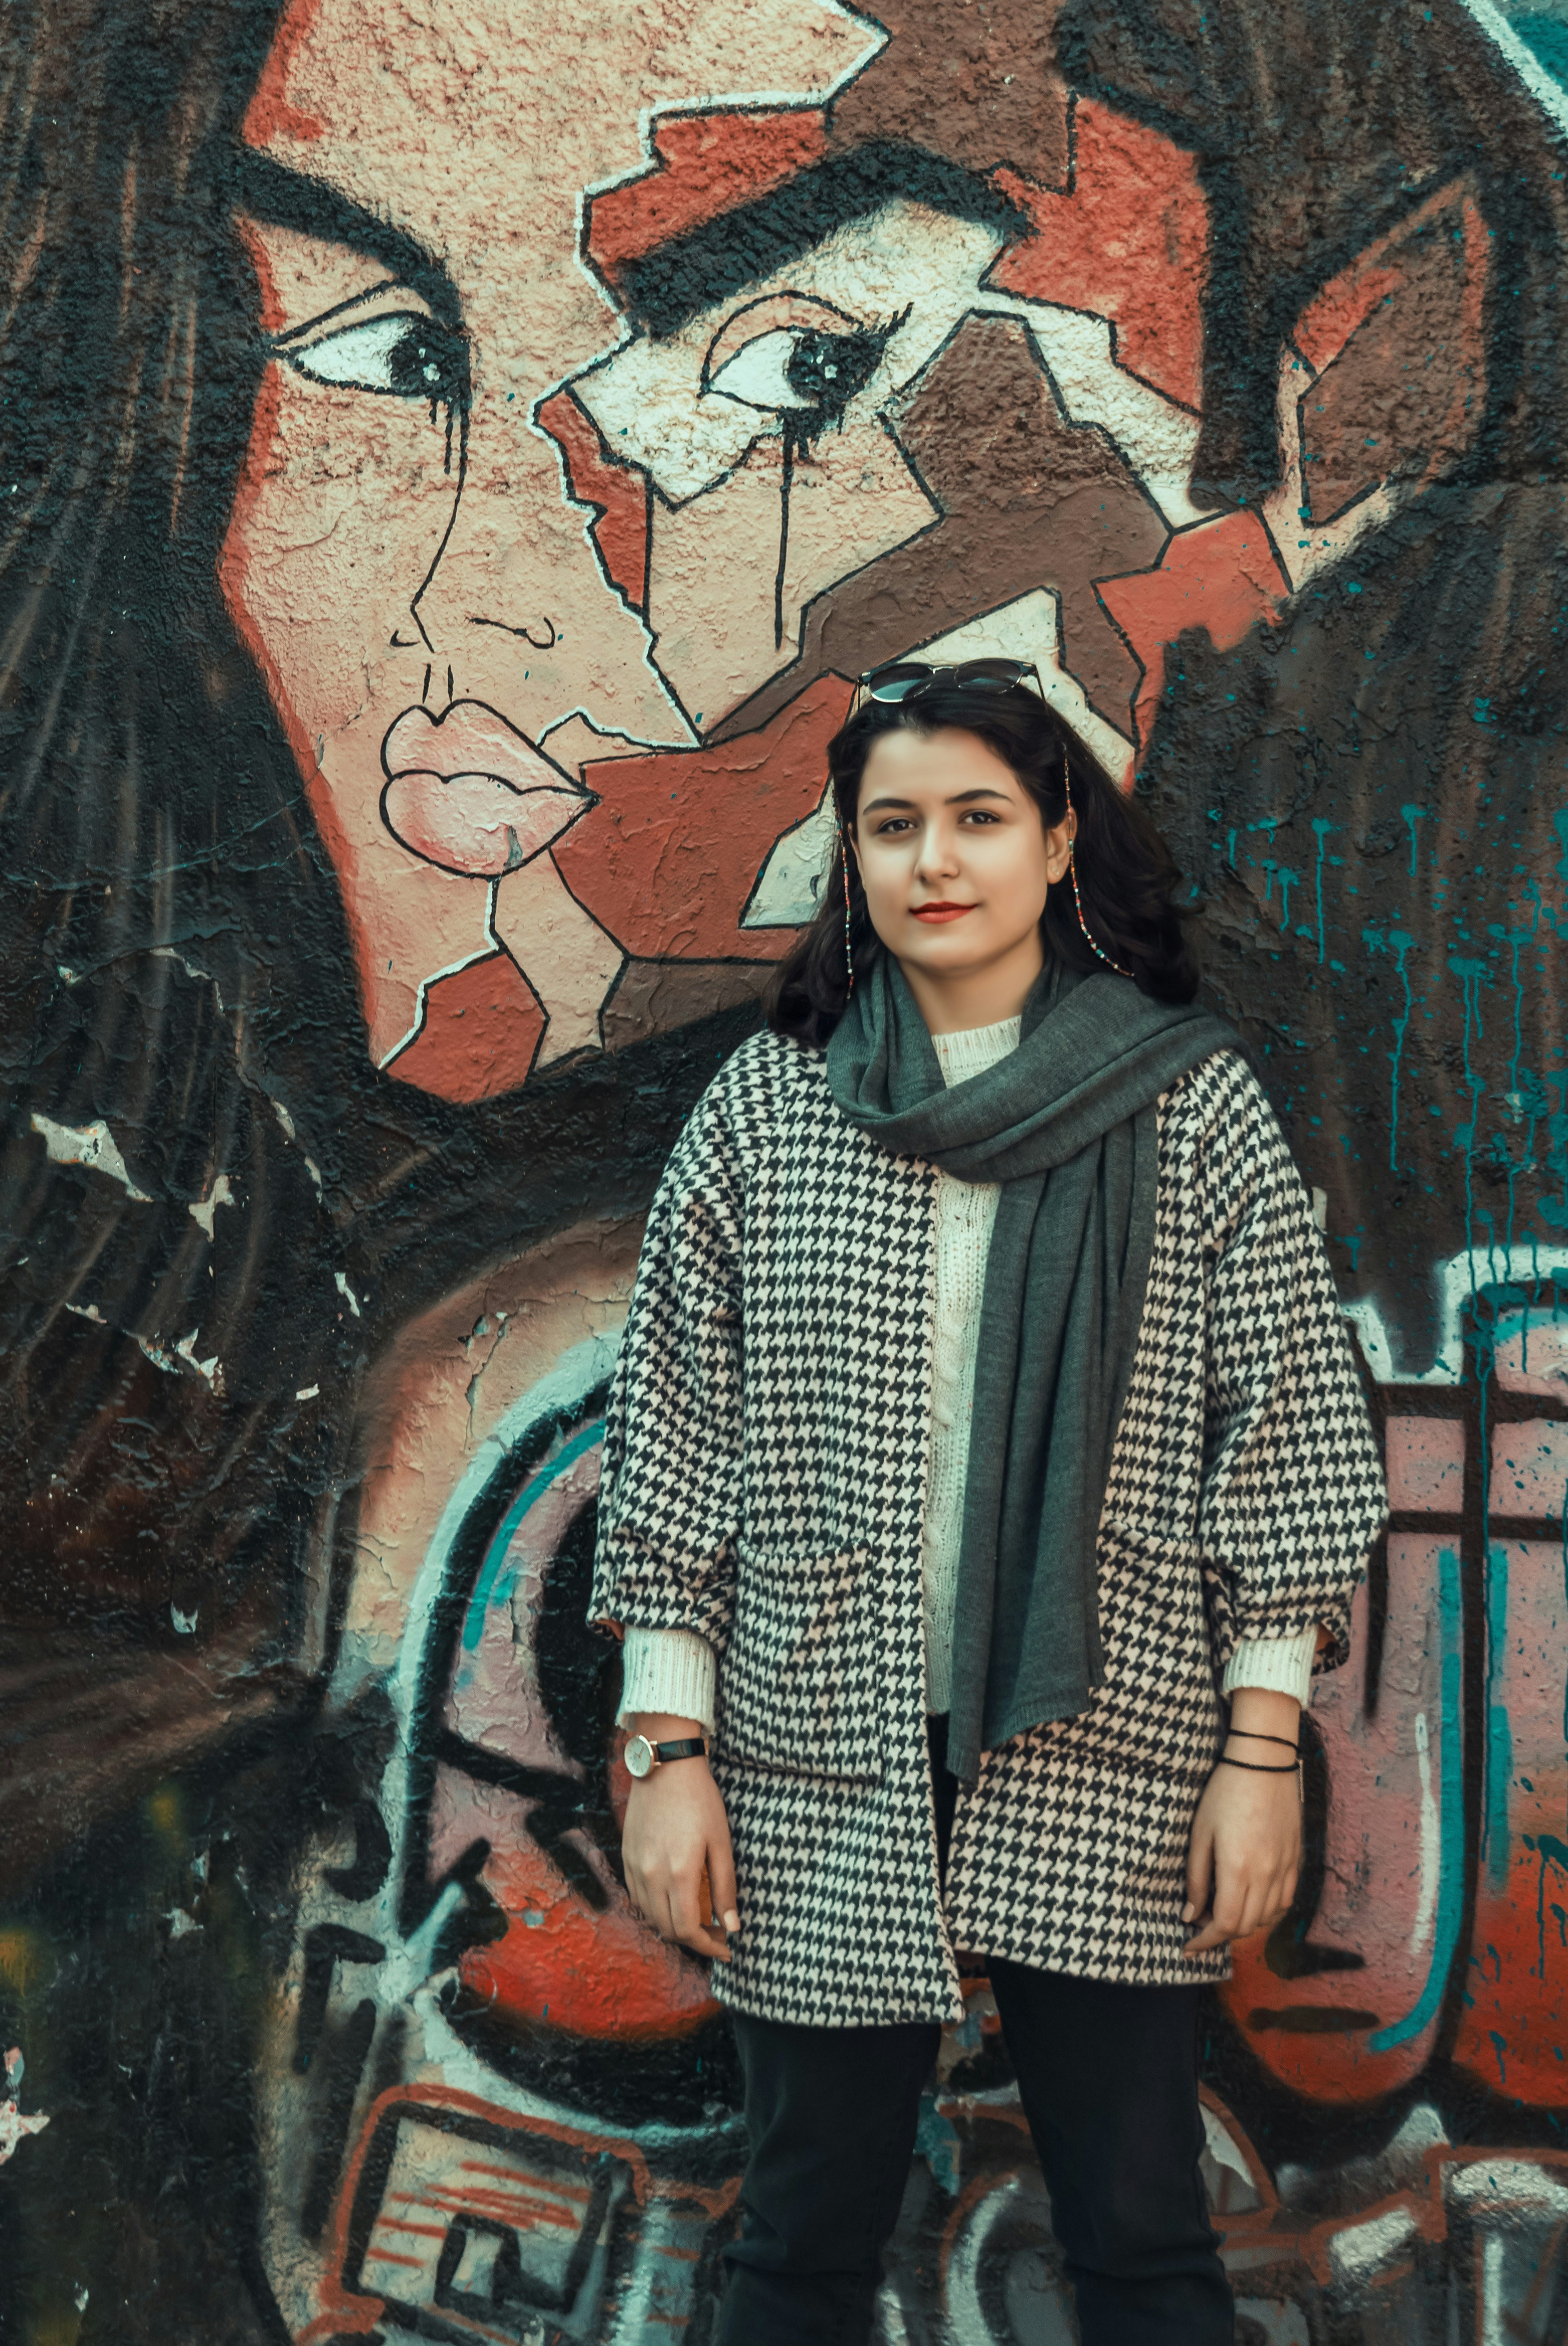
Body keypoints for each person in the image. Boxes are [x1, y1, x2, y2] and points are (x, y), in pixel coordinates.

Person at [0, 0, 1550, 2325]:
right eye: (367, 351)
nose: (488, 653)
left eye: (788, 372)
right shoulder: (90, 1504)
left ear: (1358, 381)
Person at [589, 656, 1388, 2345]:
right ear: (853, 859)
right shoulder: (773, 1106)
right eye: (892, 825)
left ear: (1053, 845)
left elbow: (1297, 1436)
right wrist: (666, 1750)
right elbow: (674, 1429)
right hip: (819, 1752)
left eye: (975, 817)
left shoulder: (1182, 1103)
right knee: (798, 2243)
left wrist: (1259, 1756)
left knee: (1143, 2242)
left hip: (1113, 1751)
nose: (932, 859)